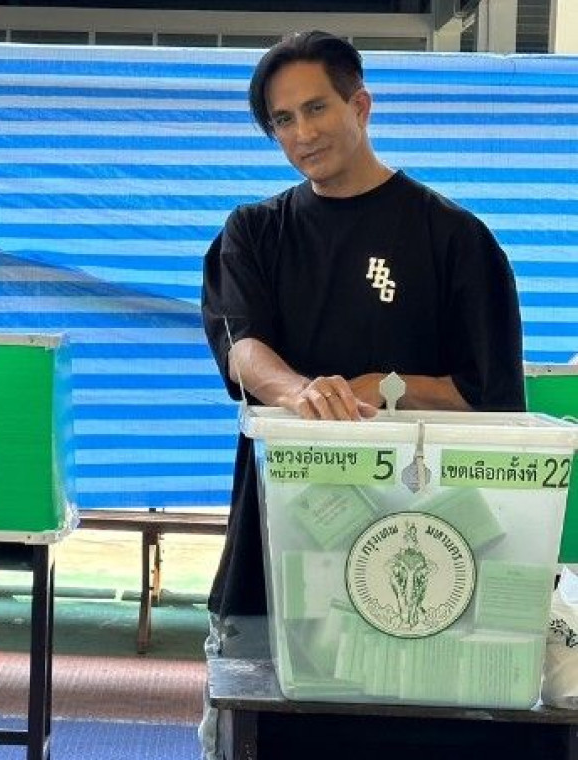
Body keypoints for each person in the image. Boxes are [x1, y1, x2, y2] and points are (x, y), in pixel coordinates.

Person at [198, 31, 524, 758]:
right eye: (283, 120)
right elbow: (242, 348)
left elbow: (491, 395)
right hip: (270, 563)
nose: (302, 133)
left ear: (361, 104)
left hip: (424, 564)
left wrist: (387, 387)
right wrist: (300, 392)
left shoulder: (454, 239)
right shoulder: (253, 232)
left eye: (317, 108)